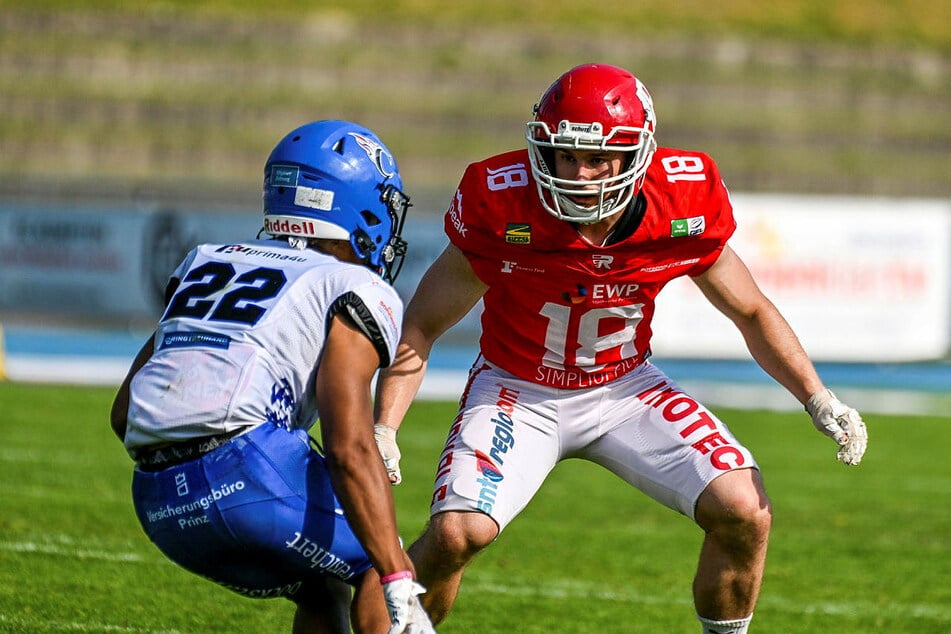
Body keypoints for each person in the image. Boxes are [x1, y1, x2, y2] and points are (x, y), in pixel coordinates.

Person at [371, 63, 868, 633]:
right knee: (459, 534)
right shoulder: (501, 203)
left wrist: (818, 397)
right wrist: (385, 426)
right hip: (517, 387)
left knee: (745, 510)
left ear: (637, 156)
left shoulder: (681, 199)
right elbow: (423, 324)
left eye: (597, 159)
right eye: (565, 156)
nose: (579, 175)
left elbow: (750, 310)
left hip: (624, 385)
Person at [110, 119, 436, 634]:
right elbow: (348, 448)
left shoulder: (206, 259)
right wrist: (397, 573)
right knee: (380, 557)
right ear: (361, 206)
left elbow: (124, 411)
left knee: (319, 581)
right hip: (245, 480)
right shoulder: (351, 283)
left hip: (155, 501)